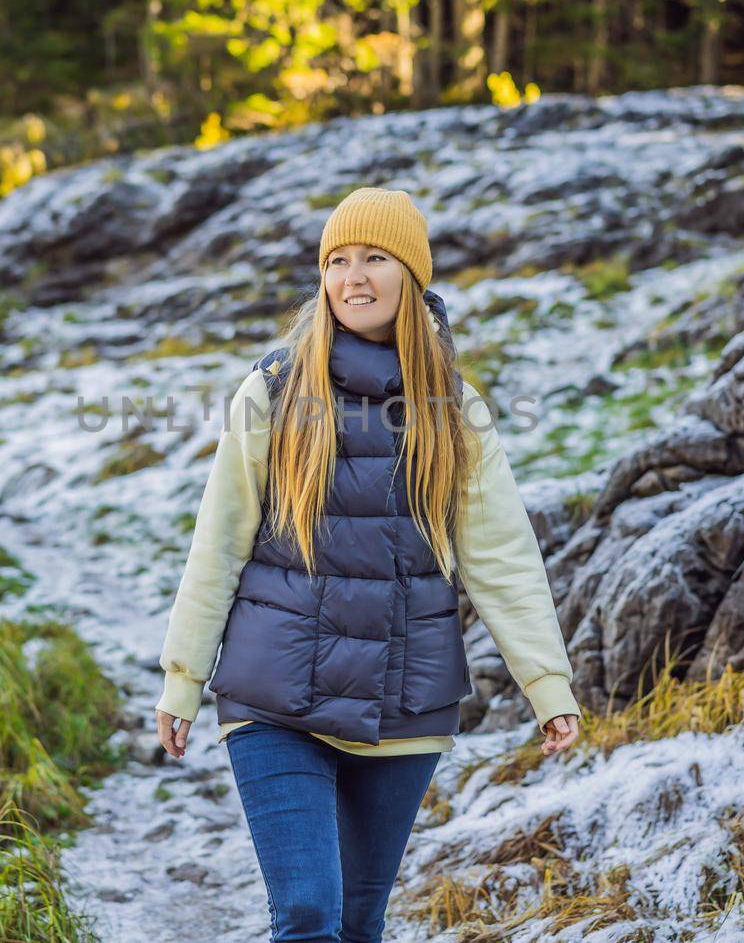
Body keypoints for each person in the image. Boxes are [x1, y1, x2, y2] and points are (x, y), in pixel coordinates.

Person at [153, 186, 582, 942]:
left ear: (410, 276)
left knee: (358, 921)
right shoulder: (276, 391)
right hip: (273, 695)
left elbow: (500, 554)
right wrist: (182, 678)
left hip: (403, 703)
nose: (353, 277)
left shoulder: (453, 405)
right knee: (310, 912)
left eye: (374, 258)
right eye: (337, 261)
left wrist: (547, 682)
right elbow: (217, 541)